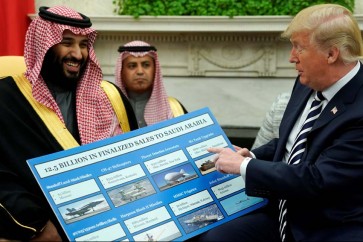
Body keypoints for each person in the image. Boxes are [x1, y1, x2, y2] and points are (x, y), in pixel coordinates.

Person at [199, 3, 363, 241]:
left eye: (299, 48)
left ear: (331, 53)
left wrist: (244, 167)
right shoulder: (309, 80)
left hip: (330, 225)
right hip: (282, 211)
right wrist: (251, 156)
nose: (291, 58)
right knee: (214, 236)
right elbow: (293, 143)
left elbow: (317, 179)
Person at [0, 6, 138, 241]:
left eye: (84, 45)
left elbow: (137, 158)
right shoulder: (6, 99)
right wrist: (39, 226)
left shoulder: (110, 97)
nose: (77, 54)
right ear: (43, 44)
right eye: (67, 42)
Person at [115, 40, 187, 128]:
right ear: (121, 72)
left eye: (146, 65)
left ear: (155, 70)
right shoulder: (108, 110)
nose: (140, 72)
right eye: (132, 66)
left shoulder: (174, 109)